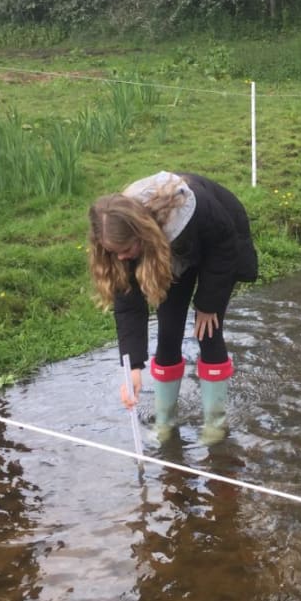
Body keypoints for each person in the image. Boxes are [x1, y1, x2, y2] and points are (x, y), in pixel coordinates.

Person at [87, 172, 258, 444]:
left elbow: (225, 246)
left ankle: (215, 424)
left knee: (208, 331)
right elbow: (129, 304)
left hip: (215, 246)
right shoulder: (120, 240)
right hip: (165, 252)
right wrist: (132, 367)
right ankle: (165, 422)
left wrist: (208, 303)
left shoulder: (197, 210)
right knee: (168, 332)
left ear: (141, 234)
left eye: (125, 250)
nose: (120, 257)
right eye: (113, 252)